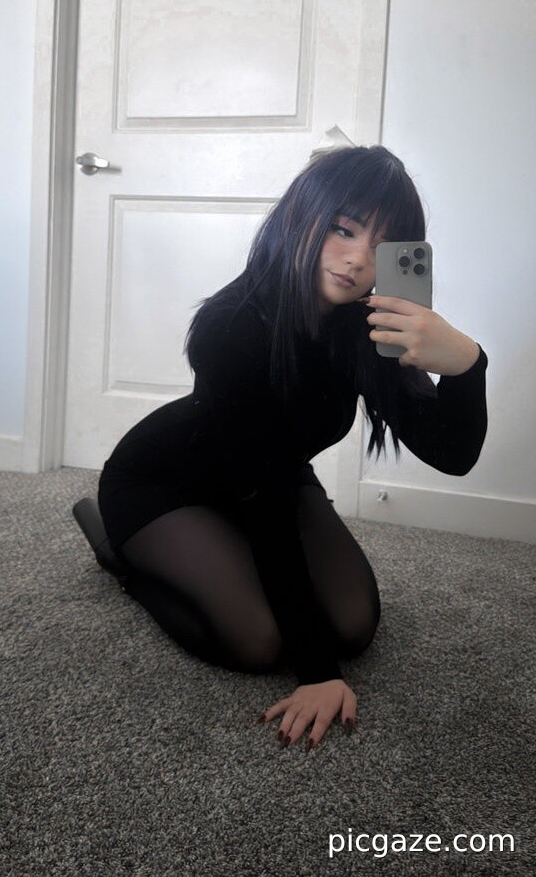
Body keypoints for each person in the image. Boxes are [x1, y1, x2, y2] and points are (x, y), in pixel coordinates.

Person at [73, 145, 487, 750]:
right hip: (165, 485)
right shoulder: (232, 326)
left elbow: (453, 454)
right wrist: (318, 673)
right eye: (343, 229)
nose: (356, 259)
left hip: (272, 475)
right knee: (258, 642)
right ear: (302, 217)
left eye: (380, 247)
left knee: (354, 625)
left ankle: (221, 553)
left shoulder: (368, 328)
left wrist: (468, 364)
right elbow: (262, 504)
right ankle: (118, 553)